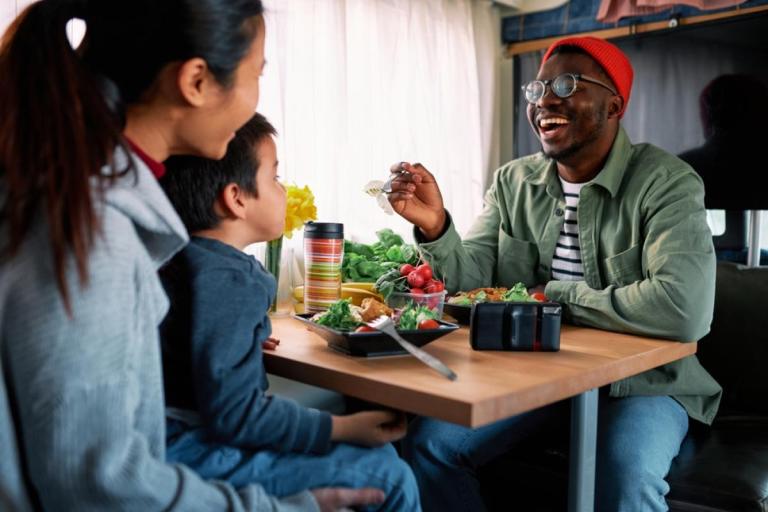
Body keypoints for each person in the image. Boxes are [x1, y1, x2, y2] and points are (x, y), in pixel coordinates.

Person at [0, 1, 384, 510]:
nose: (255, 97)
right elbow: (101, 484)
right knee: (388, 475)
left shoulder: (63, 183)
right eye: (257, 74)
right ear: (197, 81)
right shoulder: (92, 232)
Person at [386, 36, 723, 511]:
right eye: (537, 88)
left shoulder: (666, 182)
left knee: (625, 475)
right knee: (429, 447)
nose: (545, 99)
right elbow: (470, 284)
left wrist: (557, 296)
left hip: (645, 383)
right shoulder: (511, 182)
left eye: (567, 84)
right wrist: (437, 226)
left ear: (613, 105)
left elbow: (683, 310)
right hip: (534, 375)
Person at [157, 113, 420, 511]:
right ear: (236, 198)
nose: (283, 191)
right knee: (391, 475)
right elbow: (236, 415)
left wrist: (246, 339)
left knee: (382, 458)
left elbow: (195, 345)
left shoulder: (184, 261)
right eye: (275, 178)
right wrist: (341, 427)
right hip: (189, 449)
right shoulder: (229, 279)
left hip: (174, 435)